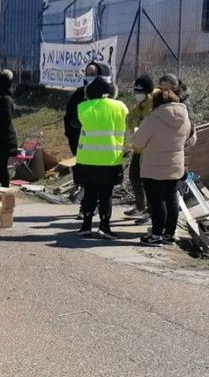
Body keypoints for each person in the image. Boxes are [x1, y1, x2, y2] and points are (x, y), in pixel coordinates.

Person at [132, 89, 196, 245]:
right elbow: (190, 138)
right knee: (171, 197)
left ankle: (155, 235)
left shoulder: (153, 119)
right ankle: (169, 234)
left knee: (156, 200)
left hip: (153, 165)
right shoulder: (185, 117)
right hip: (175, 164)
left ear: (157, 102)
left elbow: (138, 142)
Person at [74, 66, 129, 240]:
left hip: (87, 159)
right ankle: (105, 227)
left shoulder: (83, 107)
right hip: (110, 159)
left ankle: (86, 226)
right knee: (106, 194)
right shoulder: (120, 106)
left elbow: (75, 123)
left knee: (89, 192)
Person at [124, 75, 158, 222]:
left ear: (148, 92)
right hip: (139, 147)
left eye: (140, 91)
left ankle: (150, 212)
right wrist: (137, 123)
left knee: (149, 181)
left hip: (150, 149)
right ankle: (139, 206)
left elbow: (147, 124)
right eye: (136, 91)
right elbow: (129, 119)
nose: (137, 94)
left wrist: (138, 123)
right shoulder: (141, 104)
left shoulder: (154, 103)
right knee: (134, 176)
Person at [63, 62, 104, 157]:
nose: (90, 77)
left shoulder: (104, 97)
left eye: (93, 74)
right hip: (79, 143)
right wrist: (70, 137)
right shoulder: (79, 94)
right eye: (88, 74)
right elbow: (68, 118)